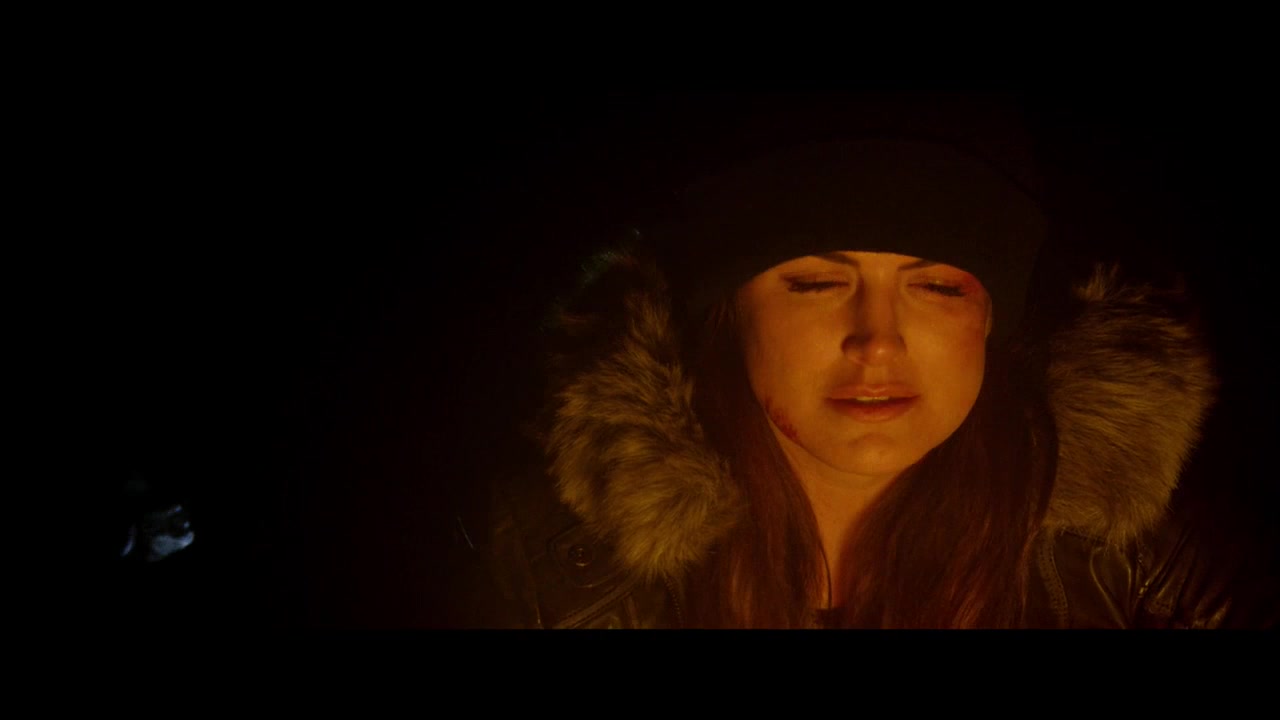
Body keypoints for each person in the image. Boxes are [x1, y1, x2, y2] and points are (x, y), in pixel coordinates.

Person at [449, 101, 1277, 628]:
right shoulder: (548, 561)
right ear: (728, 314)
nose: (877, 341)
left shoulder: (1134, 559)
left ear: (993, 319)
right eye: (816, 283)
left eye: (937, 287)